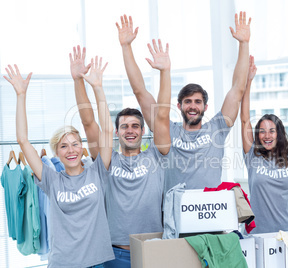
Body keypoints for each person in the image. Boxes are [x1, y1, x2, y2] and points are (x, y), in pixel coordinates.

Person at [117, 13, 251, 192]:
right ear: (179, 106)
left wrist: (244, 44)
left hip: (209, 211)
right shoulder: (168, 130)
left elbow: (237, 90)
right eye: (188, 101)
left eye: (197, 101)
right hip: (176, 214)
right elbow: (140, 92)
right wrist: (126, 47)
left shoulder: (217, 128)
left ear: (205, 107)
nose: (193, 106)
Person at [70, 37, 171, 267]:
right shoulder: (107, 160)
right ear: (116, 132)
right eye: (124, 126)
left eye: (135, 126)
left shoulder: (156, 156)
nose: (130, 131)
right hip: (116, 255)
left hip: (154, 250)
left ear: (143, 130)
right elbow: (88, 123)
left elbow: (162, 116)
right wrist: (78, 80)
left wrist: (165, 71)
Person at [5, 58, 115, 267]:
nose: (71, 150)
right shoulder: (51, 179)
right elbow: (23, 140)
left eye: (75, 144)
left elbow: (108, 131)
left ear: (82, 148)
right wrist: (21, 96)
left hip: (97, 262)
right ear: (56, 152)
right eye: (64, 146)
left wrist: (98, 88)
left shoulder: (98, 172)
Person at [240, 54, 288, 233]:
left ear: (279, 134)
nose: (267, 135)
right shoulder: (252, 156)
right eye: (262, 131)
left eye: (272, 130)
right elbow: (245, 119)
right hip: (258, 234)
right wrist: (248, 82)